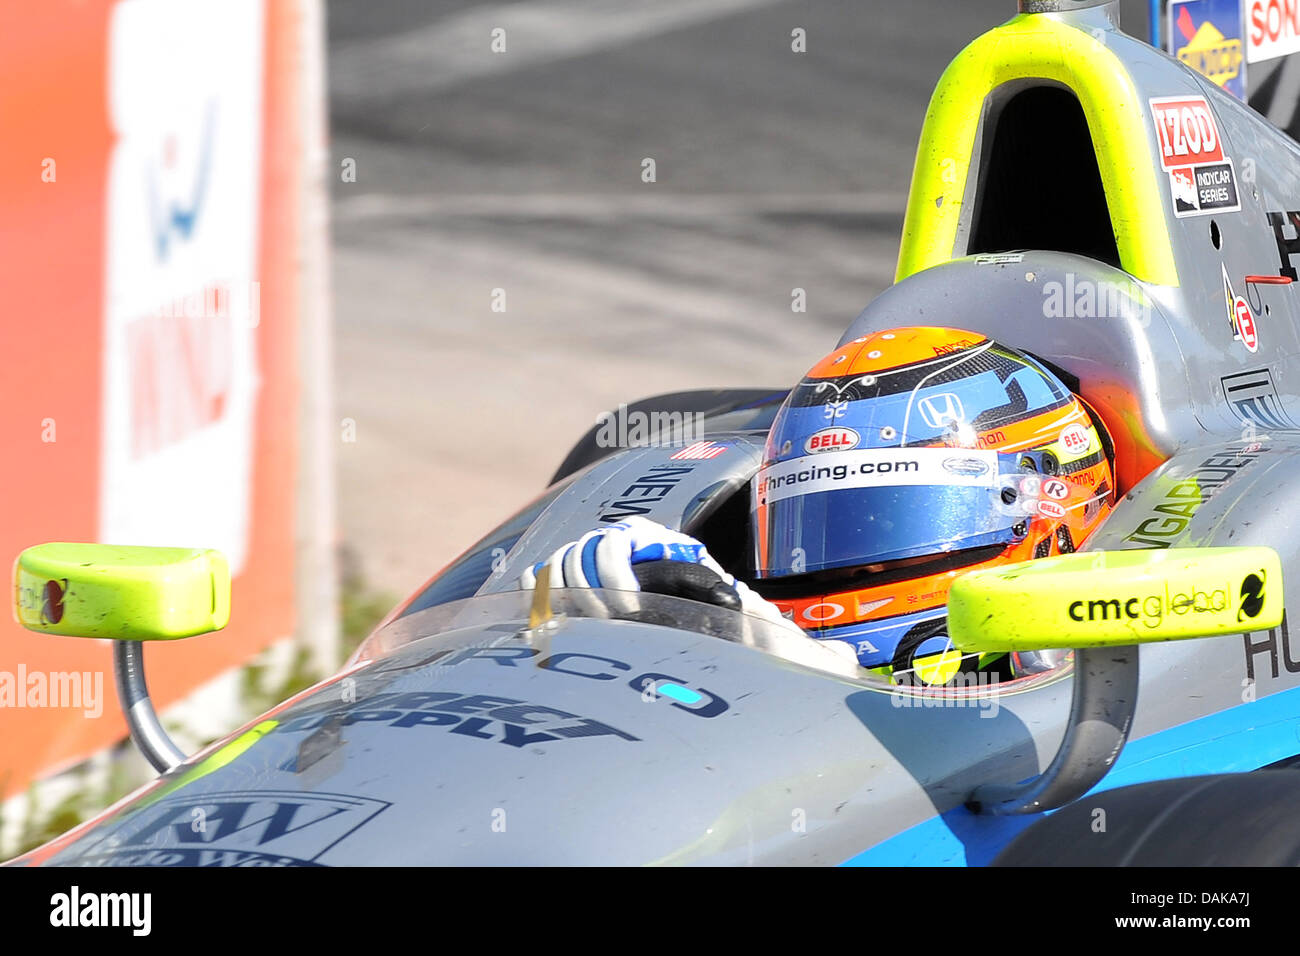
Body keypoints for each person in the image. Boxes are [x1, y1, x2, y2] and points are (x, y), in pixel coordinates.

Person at [521, 327, 1116, 685]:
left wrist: (773, 647)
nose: (864, 567)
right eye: (828, 525)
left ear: (1046, 504)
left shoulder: (1096, 661)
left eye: (891, 523)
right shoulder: (775, 624)